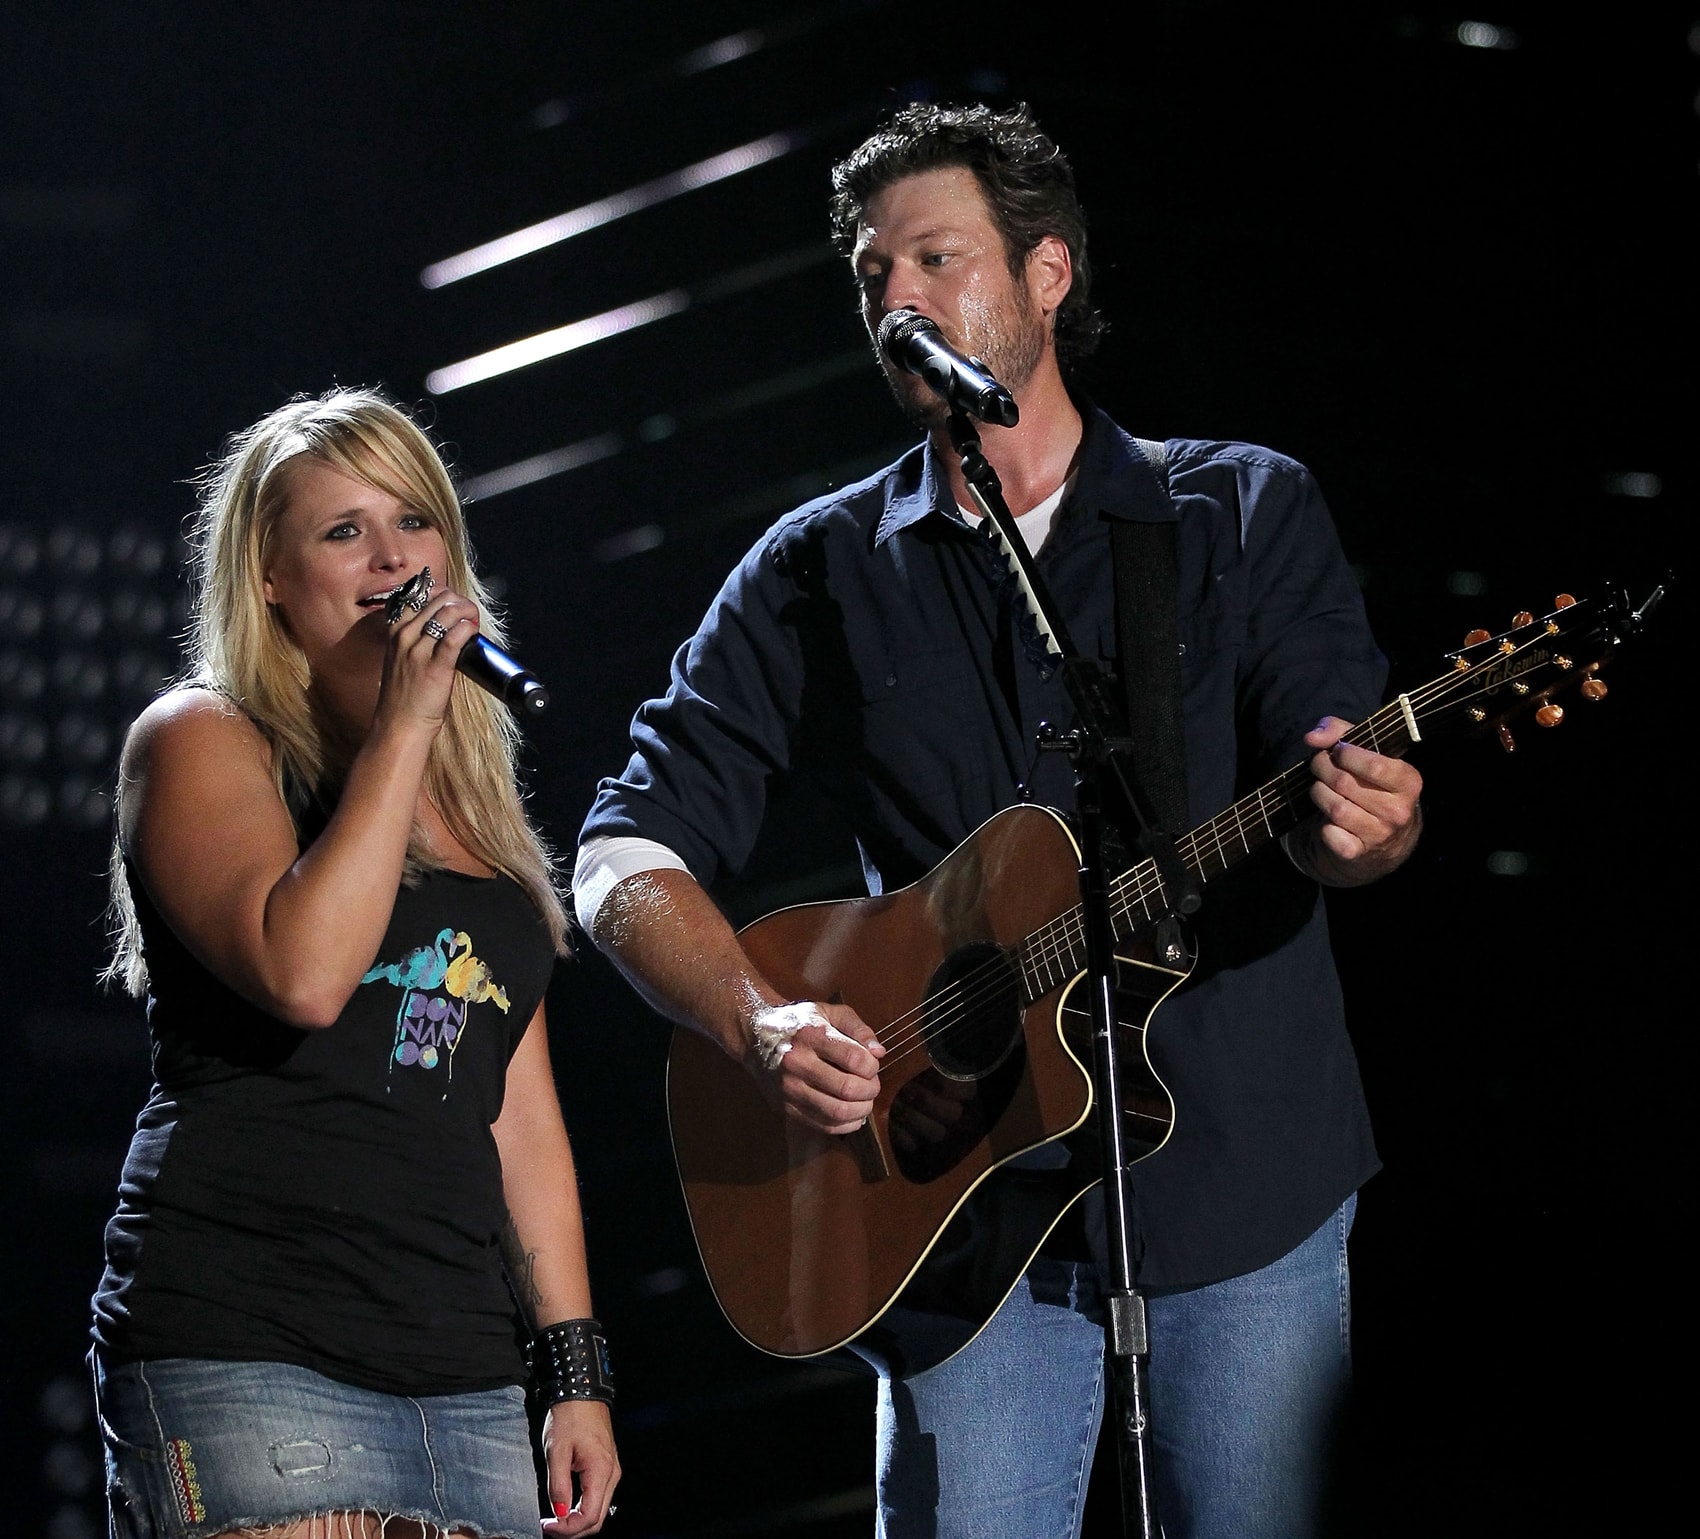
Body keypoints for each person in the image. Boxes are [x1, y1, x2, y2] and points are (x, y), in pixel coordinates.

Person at [574, 102, 1421, 1539]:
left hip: (1241, 1173)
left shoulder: (1234, 510)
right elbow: (618, 849)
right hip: (953, 1221)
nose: (895, 298)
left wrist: (1370, 822)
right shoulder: (817, 571)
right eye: (870, 276)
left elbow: (1349, 791)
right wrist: (755, 1020)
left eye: (935, 259)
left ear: (1048, 275)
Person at [91, 390, 620, 1539]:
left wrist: (572, 1369)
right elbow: (306, 974)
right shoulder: (200, 741)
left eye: (414, 523)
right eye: (344, 533)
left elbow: (512, 1111)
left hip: (465, 1373)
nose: (393, 558)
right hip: (250, 1339)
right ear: (270, 576)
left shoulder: (474, 808)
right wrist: (402, 727)